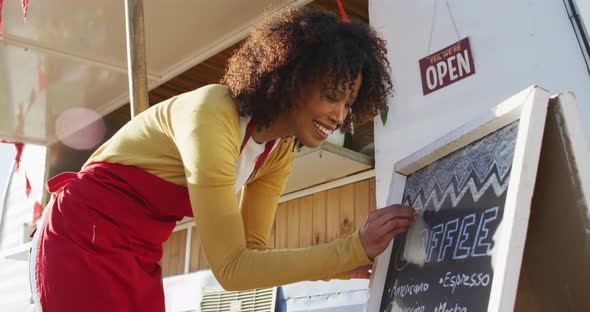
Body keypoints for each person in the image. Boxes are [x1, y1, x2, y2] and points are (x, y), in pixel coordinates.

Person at [29, 7, 417, 312]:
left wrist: (336, 267)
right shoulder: (212, 114)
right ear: (292, 78)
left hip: (140, 252)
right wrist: (352, 248)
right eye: (332, 95)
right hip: (81, 237)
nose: (339, 115)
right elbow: (231, 268)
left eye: (348, 104)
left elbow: (254, 253)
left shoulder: (279, 150)